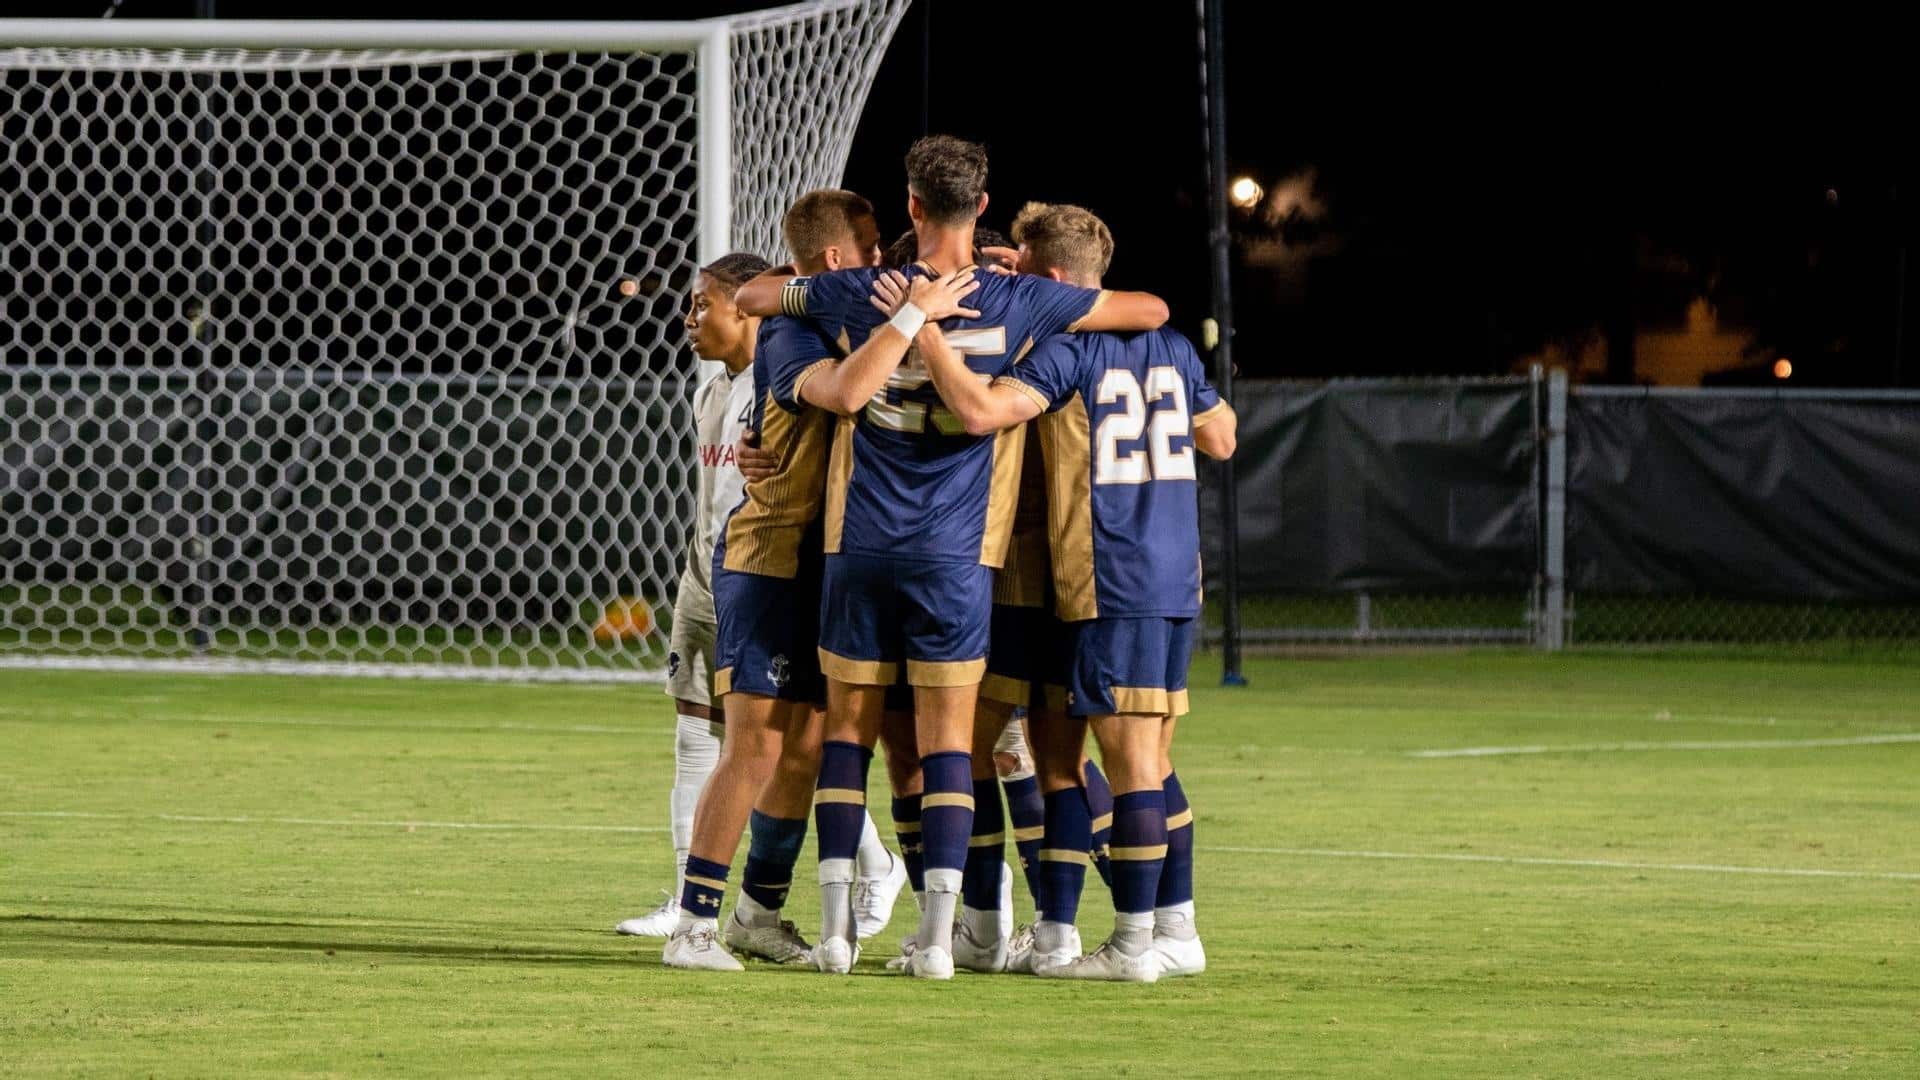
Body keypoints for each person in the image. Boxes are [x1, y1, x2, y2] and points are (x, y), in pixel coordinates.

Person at [733, 135, 1171, 979]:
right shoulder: (1018, 297)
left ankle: (834, 936)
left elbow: (753, 293)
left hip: (859, 541)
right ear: (981, 205)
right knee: (947, 749)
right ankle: (939, 942)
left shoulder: (862, 288)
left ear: (909, 206)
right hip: (957, 553)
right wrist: (1024, 279)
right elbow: (1147, 310)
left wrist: (880, 303)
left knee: (847, 741)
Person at [892, 200, 1237, 982]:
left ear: (1047, 281)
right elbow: (1223, 436)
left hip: (1103, 574)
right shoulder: (1174, 346)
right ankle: (1067, 933)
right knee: (1069, 756)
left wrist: (927, 330)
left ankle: (1141, 942)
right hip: (1164, 570)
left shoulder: (1062, 353)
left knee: (1126, 761)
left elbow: (981, 410)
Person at [616, 251, 769, 940]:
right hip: (704, 575)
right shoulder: (710, 391)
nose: (689, 316)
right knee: (690, 730)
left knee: (775, 746)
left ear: (746, 307)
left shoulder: (781, 384)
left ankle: (873, 863)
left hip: (761, 579)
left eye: (703, 302)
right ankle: (684, 896)